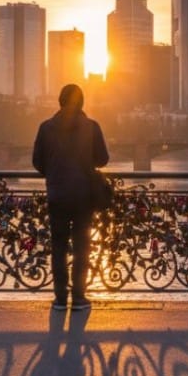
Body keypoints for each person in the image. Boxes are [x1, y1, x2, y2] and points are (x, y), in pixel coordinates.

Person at [32, 84, 109, 311]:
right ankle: (78, 297)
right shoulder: (92, 127)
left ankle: (59, 299)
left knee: (58, 247)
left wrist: (54, 173)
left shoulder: (46, 128)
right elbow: (102, 159)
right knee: (82, 247)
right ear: (82, 103)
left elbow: (37, 162)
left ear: (60, 101)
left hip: (57, 195)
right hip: (84, 196)